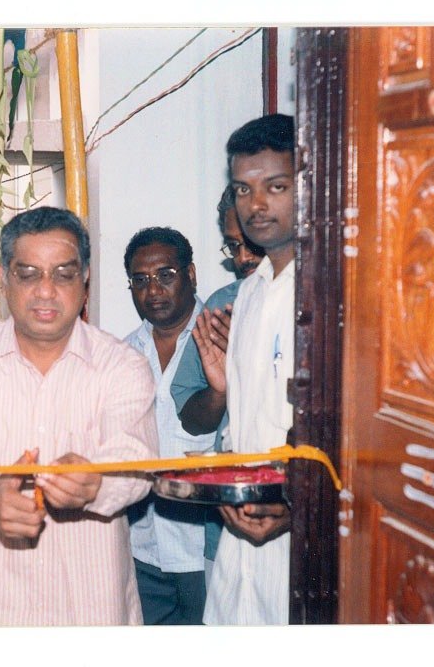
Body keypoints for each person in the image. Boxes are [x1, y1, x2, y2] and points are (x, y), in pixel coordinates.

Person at [0, 206, 159, 626]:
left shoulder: (121, 365)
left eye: (63, 275)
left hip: (93, 614)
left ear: (85, 279)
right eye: (28, 275)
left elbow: (136, 460)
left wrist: (96, 483)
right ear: (4, 278)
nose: (46, 291)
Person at [195, 114, 297, 625]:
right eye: (243, 189)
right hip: (237, 556)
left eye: (275, 187)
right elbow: (240, 429)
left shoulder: (333, 288)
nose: (255, 205)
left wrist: (298, 505)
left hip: (300, 549)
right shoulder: (250, 295)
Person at [169, 186, 264, 583]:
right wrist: (220, 391)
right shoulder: (221, 306)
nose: (243, 259)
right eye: (233, 247)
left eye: (251, 244)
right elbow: (191, 419)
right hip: (225, 526)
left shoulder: (317, 301)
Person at [123, 227, 215, 625]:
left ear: (190, 274)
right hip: (142, 546)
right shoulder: (124, 354)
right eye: (140, 280)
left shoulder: (222, 337)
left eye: (166, 275)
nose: (153, 290)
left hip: (205, 546)